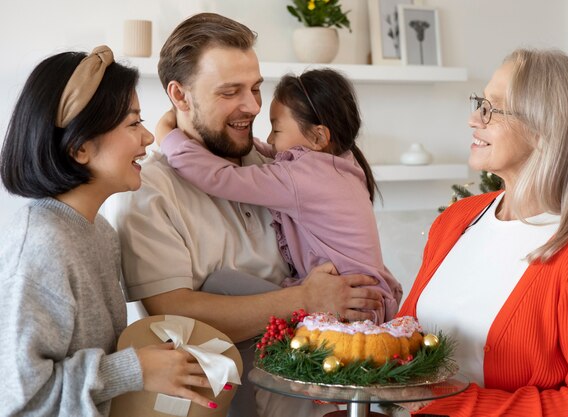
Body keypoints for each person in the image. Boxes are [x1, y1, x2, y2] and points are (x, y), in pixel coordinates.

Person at [106, 13, 384, 417]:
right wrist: (305, 299)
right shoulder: (149, 190)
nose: (252, 107)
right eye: (230, 92)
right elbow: (173, 311)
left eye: (255, 88)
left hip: (327, 383)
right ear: (180, 96)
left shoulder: (279, 163)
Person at [397, 48, 568, 416]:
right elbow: (403, 335)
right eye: (479, 103)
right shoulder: (457, 219)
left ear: (545, 129)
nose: (474, 119)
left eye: (493, 108)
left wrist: (452, 403)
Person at [0, 46, 216, 416]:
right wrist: (134, 368)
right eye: (133, 123)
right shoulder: (41, 245)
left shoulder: (98, 231)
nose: (148, 138)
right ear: (81, 146)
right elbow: (18, 400)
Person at [156, 68, 402, 324]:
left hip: (349, 311)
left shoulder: (302, 177)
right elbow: (272, 151)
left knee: (221, 284)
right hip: (368, 303)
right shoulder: (337, 164)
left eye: (277, 129)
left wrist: (167, 136)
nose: (271, 138)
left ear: (318, 136)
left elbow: (219, 177)